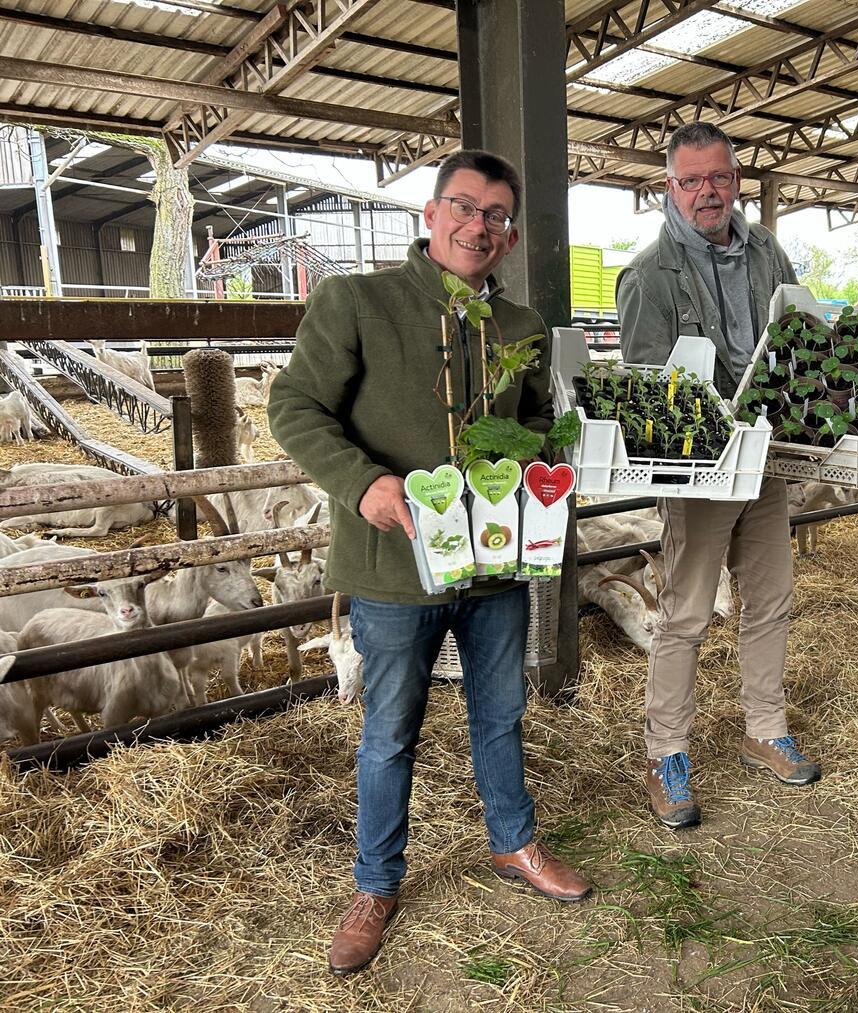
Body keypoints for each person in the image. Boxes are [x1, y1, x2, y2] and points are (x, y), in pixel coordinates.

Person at [269, 149, 592, 977]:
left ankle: (513, 841)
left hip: (496, 565)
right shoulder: (360, 301)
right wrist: (362, 483)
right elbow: (294, 405)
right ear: (431, 212)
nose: (478, 226)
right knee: (388, 731)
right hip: (394, 566)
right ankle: (376, 884)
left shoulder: (519, 327)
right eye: (464, 206)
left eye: (496, 216)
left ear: (509, 235)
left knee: (501, 711)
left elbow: (536, 423)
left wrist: (543, 458)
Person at [616, 121, 821, 832]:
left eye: (719, 177)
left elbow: (798, 336)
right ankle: (666, 753)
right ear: (668, 187)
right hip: (700, 465)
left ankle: (765, 728)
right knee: (687, 612)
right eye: (692, 180)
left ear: (737, 180)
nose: (708, 191)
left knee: (770, 597)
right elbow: (648, 384)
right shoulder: (649, 274)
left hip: (766, 454)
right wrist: (709, 433)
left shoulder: (767, 251)